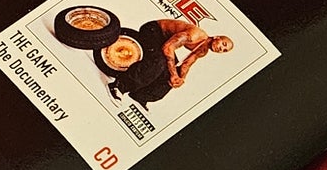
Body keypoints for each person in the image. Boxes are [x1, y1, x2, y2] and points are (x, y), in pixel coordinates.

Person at [92, 18, 233, 105]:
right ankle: (118, 86)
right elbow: (168, 48)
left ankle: (140, 95)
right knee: (159, 61)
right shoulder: (195, 35)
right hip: (153, 31)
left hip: (165, 42)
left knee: (171, 74)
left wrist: (180, 79)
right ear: (217, 37)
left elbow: (186, 64)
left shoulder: (203, 51)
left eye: (224, 50)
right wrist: (173, 73)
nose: (221, 49)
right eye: (224, 44)